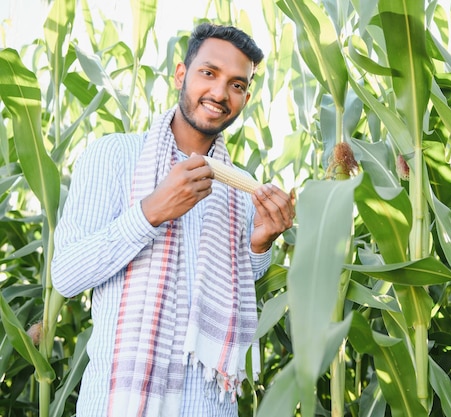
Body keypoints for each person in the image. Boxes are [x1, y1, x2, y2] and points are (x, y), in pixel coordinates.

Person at [51, 23, 294, 417]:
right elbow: (65, 274)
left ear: (245, 98)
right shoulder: (112, 156)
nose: (219, 93)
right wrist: (151, 212)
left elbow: (236, 290)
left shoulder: (241, 188)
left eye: (236, 85)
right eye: (208, 73)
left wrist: (260, 242)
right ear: (181, 74)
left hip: (208, 406)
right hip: (119, 403)